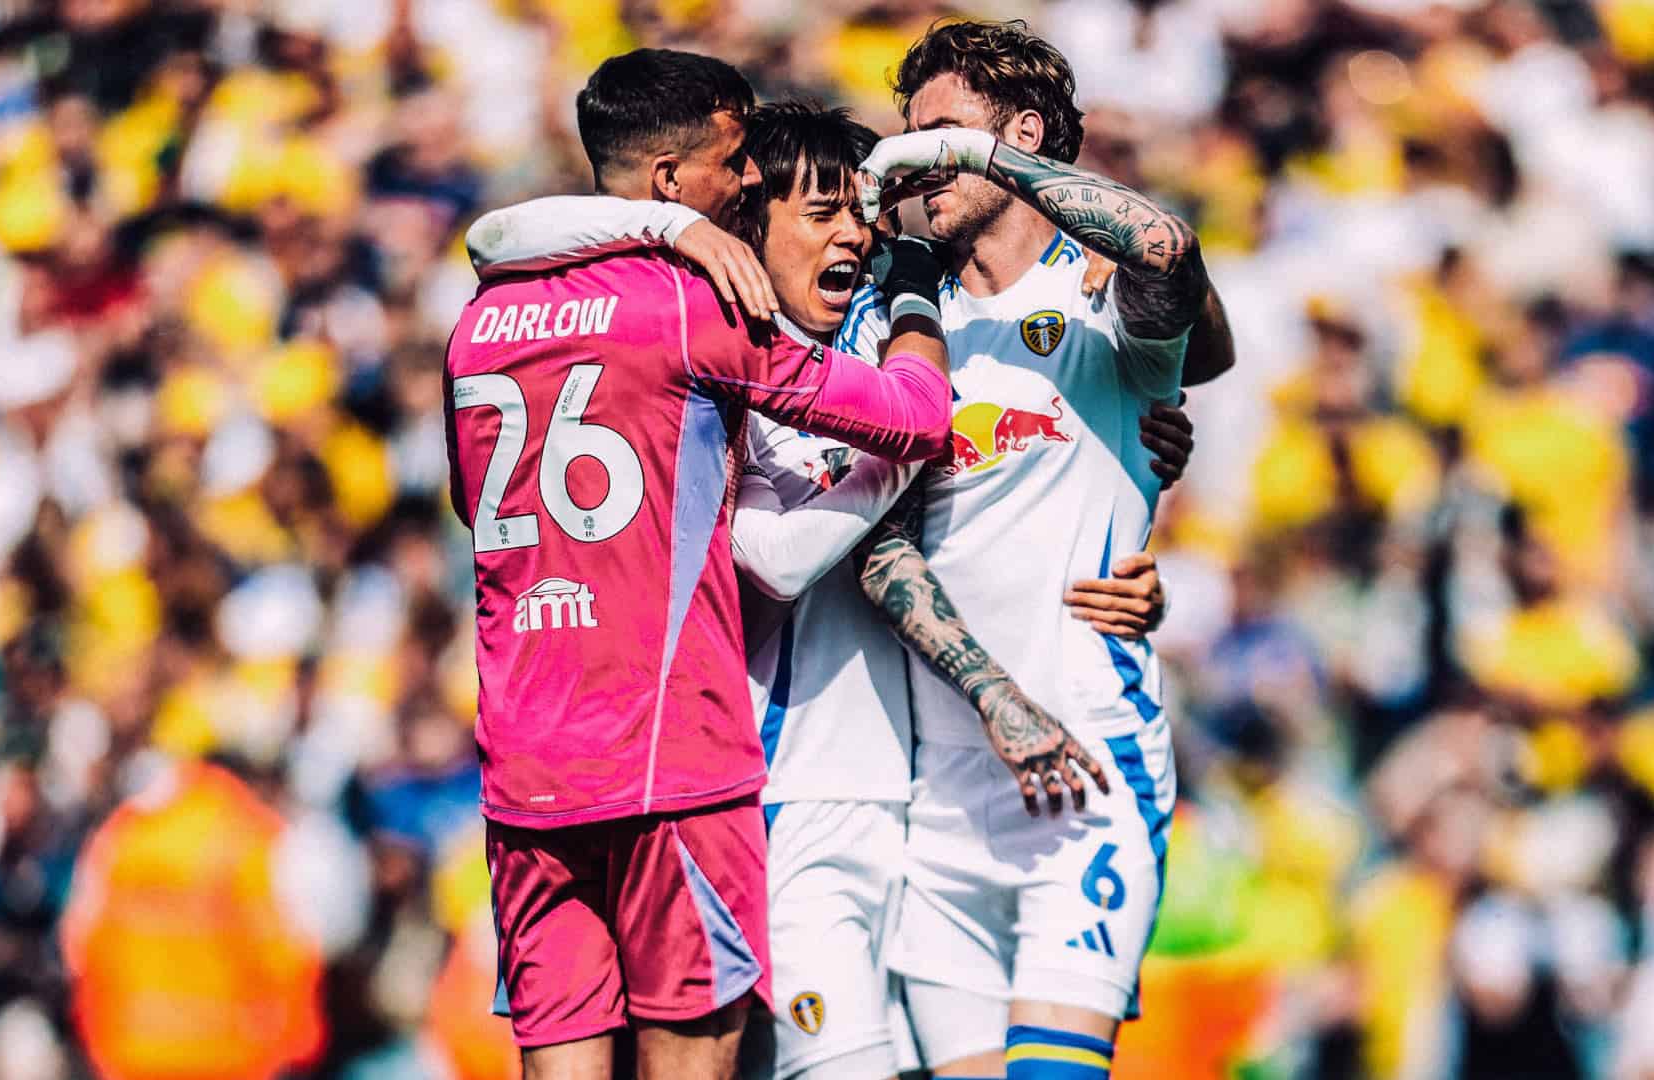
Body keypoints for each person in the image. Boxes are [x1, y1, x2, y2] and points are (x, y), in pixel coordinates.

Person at [468, 101, 1193, 1080]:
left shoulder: (877, 349)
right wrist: (910, 439)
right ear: (742, 230)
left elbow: (1009, 478)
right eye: (822, 213)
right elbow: (772, 560)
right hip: (781, 793)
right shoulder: (717, 367)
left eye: (861, 212)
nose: (854, 233)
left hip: (909, 801)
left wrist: (1124, 480)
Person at [445, 50, 958, 1080]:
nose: (750, 181)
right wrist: (913, 294)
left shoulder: (477, 323)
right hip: (670, 758)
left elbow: (471, 500)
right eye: (735, 162)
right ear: (671, 178)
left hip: (525, 767)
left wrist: (664, 226)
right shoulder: (693, 304)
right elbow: (916, 416)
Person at [849, 19, 1237, 1079]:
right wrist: (990, 698)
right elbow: (878, 545)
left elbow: (1169, 251)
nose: (917, 156)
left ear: (1018, 135)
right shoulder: (898, 317)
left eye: (941, 132)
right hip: (939, 801)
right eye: (909, 133)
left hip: (1088, 773)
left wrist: (974, 158)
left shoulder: (1098, 293)